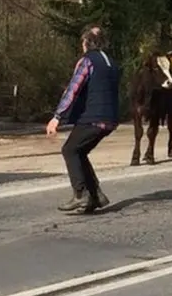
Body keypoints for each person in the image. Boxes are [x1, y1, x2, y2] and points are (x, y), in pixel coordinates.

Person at [46, 25, 120, 214]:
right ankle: (96, 195)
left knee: (70, 150)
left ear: (86, 42)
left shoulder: (88, 60)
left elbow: (73, 89)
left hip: (93, 117)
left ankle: (81, 195)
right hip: (111, 118)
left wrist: (57, 117)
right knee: (80, 151)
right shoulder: (111, 62)